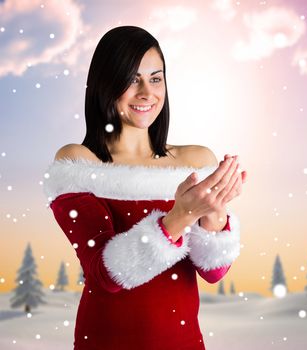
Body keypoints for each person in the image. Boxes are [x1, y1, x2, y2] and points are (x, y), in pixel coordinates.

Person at [43, 25, 247, 350]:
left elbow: (214, 271)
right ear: (105, 84)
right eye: (132, 78)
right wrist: (181, 215)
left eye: (155, 78)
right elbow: (106, 275)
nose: (146, 93)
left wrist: (215, 211)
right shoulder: (78, 164)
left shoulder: (195, 160)